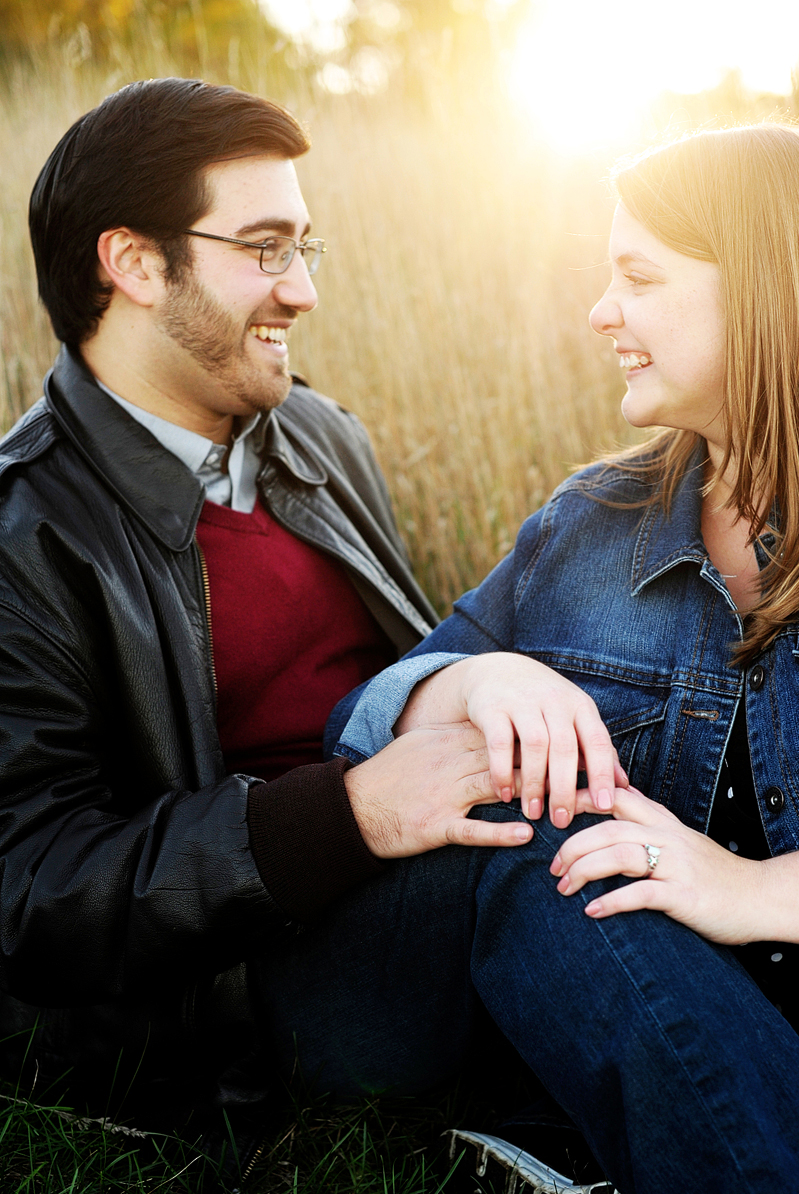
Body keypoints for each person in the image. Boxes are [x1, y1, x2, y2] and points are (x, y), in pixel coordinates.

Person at [0, 75, 633, 1181]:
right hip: (246, 993)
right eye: (264, 248)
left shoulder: (319, 436)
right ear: (137, 265)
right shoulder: (25, 536)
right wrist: (344, 816)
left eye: (308, 248)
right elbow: (27, 887)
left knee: (622, 717)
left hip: (410, 878)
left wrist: (479, 691)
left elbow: (408, 660)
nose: (303, 292)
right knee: (554, 835)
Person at [330, 122, 799, 1191]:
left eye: (638, 276)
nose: (601, 313)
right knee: (528, 805)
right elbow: (367, 719)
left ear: (770, 290)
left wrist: (743, 888)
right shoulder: (590, 523)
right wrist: (476, 678)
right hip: (622, 1008)